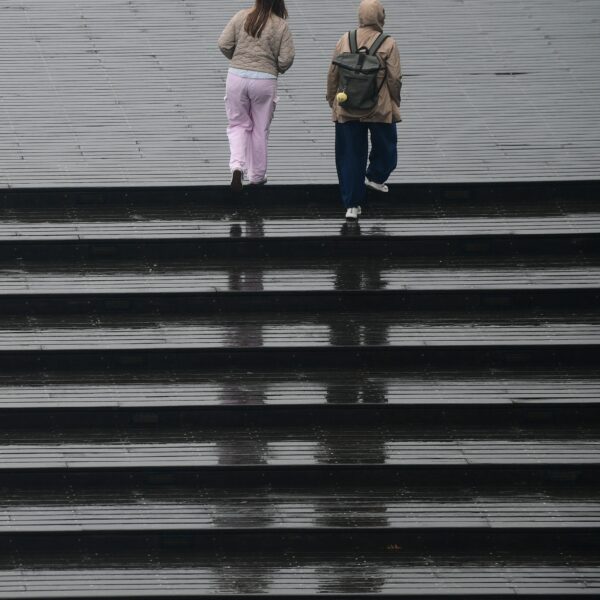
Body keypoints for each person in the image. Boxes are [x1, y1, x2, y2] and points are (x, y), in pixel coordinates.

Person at [327, 0, 402, 219]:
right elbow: (395, 78)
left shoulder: (345, 39)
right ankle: (376, 177)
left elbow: (333, 73)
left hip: (347, 106)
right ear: (380, 17)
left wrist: (332, 99)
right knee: (387, 146)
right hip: (379, 107)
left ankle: (352, 205)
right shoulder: (388, 43)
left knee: (349, 155)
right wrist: (395, 101)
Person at [219, 0, 295, 192]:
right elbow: (286, 59)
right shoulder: (281, 25)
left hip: (236, 77)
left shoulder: (241, 16)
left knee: (237, 124)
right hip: (264, 80)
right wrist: (274, 67)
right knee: (260, 129)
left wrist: (238, 58)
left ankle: (237, 167)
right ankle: (257, 175)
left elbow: (224, 44)